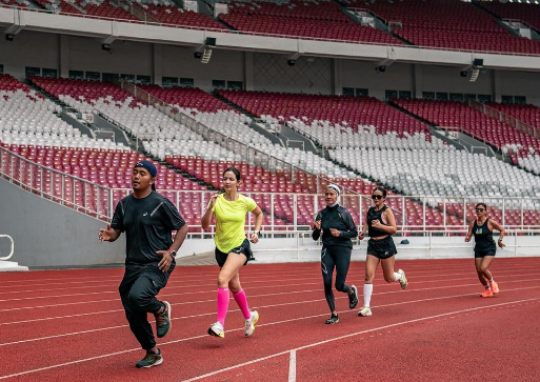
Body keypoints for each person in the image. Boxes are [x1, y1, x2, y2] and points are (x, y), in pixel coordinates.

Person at [99, 160, 188, 368]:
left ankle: (160, 310)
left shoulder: (161, 203)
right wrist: (109, 234)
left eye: (142, 173)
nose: (136, 177)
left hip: (157, 263)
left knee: (137, 296)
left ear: (152, 179)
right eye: (135, 172)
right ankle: (152, 352)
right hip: (133, 266)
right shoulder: (124, 204)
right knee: (132, 312)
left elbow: (182, 227)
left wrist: (171, 252)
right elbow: (116, 231)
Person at [201, 167, 263, 339]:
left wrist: (256, 232)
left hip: (240, 246)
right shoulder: (216, 200)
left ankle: (220, 324)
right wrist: (209, 209)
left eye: (231, 179)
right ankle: (249, 317)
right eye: (224, 179)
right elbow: (204, 225)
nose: (227, 182)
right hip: (221, 249)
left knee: (222, 280)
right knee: (234, 285)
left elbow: (259, 214)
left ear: (238, 182)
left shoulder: (245, 201)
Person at [357, 186, 407, 317]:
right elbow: (367, 223)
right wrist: (362, 232)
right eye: (374, 197)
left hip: (386, 244)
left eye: (379, 197)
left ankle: (400, 276)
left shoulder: (387, 211)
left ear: (384, 198)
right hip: (373, 245)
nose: (376, 199)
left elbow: (394, 229)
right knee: (368, 275)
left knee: (389, 278)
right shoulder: (370, 210)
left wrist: (380, 226)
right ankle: (366, 306)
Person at [312, 184, 359, 324]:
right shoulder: (321, 214)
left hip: (343, 249)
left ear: (337, 196)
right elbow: (315, 237)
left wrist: (341, 233)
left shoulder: (343, 213)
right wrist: (317, 229)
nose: (328, 197)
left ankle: (351, 291)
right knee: (327, 282)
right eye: (326, 194)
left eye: (331, 194)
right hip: (327, 250)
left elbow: (354, 232)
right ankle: (334, 314)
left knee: (339, 285)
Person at [465, 202, 505, 298]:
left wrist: (500, 240)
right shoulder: (473, 223)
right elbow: (469, 235)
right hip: (478, 249)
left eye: (481, 210)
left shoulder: (490, 222)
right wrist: (467, 238)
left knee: (483, 268)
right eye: (477, 209)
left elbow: (502, 230)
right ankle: (487, 289)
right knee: (479, 271)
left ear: (485, 211)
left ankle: (493, 282)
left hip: (489, 248)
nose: (479, 211)